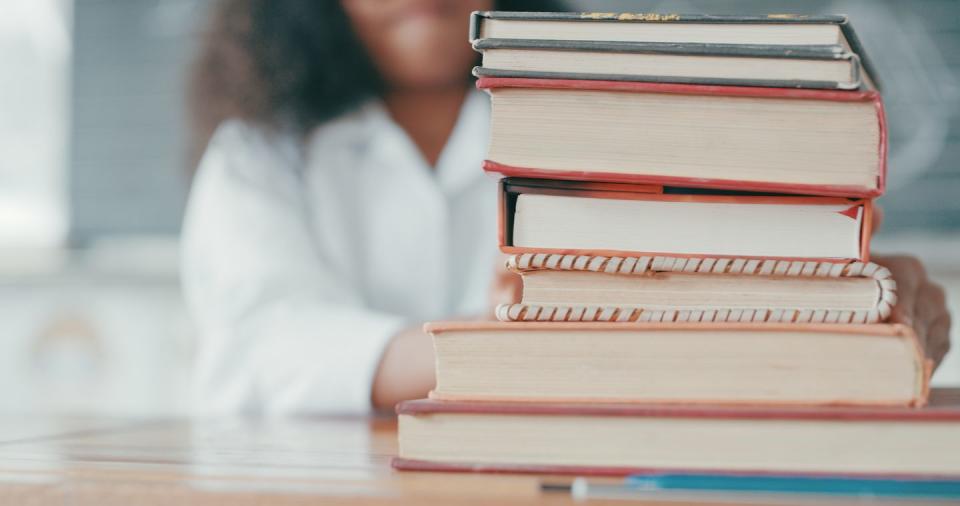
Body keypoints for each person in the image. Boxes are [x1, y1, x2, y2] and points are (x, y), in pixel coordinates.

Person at [182, 0, 951, 415]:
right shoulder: (260, 151)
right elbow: (260, 345)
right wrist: (504, 346)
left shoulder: (587, 125)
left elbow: (689, 260)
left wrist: (821, 285)